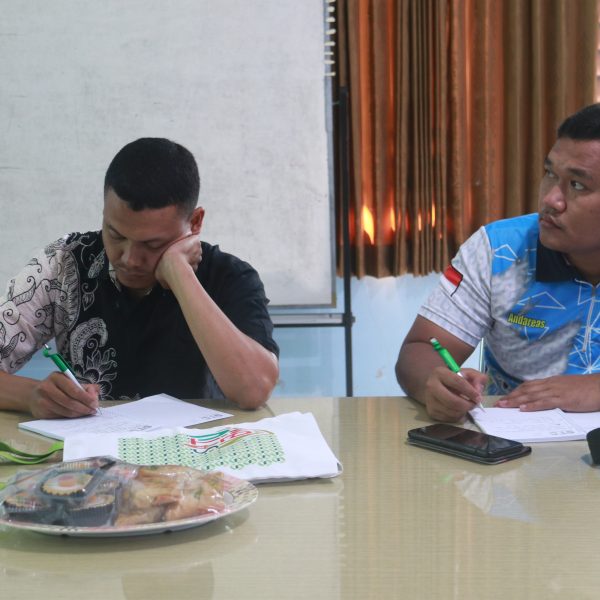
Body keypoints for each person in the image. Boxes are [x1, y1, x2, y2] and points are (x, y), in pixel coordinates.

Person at [0, 138, 279, 418]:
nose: (130, 259)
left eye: (153, 244)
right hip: (89, 442)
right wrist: (31, 395)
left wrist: (179, 273)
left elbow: (254, 390)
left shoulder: (228, 276)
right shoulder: (65, 263)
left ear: (195, 223)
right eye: (115, 235)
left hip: (194, 443)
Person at [396, 102, 600, 422]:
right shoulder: (499, 250)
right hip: (514, 442)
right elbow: (421, 348)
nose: (550, 199)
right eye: (550, 174)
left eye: (577, 184)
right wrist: (433, 384)